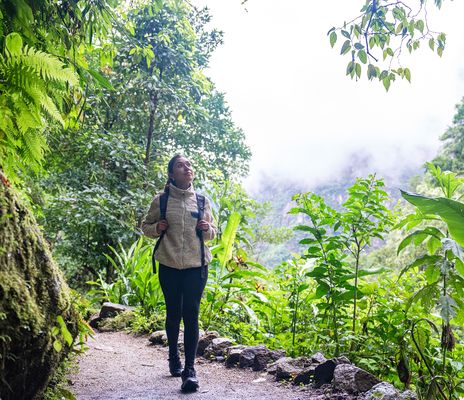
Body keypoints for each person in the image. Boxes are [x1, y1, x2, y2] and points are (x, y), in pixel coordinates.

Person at [141, 154, 216, 392]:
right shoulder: (161, 200)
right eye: (180, 166)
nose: (187, 168)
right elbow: (145, 227)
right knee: (173, 313)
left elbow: (214, 233)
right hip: (169, 264)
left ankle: (190, 370)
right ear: (172, 174)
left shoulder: (202, 201)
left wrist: (207, 229)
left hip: (197, 266)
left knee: (191, 314)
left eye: (189, 165)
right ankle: (173, 355)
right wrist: (157, 227)